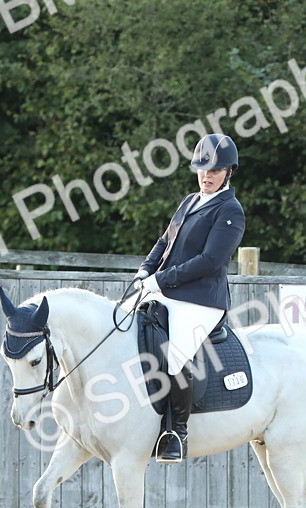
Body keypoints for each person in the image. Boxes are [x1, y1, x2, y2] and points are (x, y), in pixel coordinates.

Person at [134, 133, 246, 463]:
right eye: (202, 169)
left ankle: (176, 431)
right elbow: (164, 241)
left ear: (228, 172)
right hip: (168, 289)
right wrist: (145, 270)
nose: (207, 176)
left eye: (215, 170)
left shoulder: (230, 210)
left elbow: (210, 261)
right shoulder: (190, 201)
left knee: (177, 354)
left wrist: (161, 279)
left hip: (201, 300)